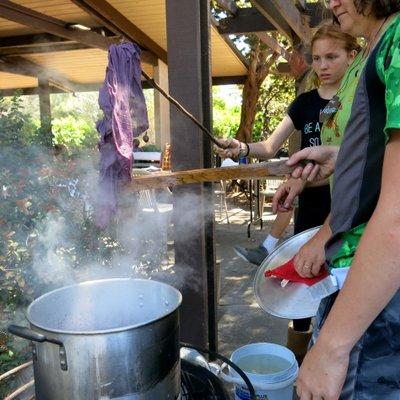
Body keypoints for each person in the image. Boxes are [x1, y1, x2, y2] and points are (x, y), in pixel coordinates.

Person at [275, 1, 400, 398]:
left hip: (376, 283)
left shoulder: (398, 41)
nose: (331, 2)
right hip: (361, 266)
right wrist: (341, 158)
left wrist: (331, 347)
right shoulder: (379, 47)